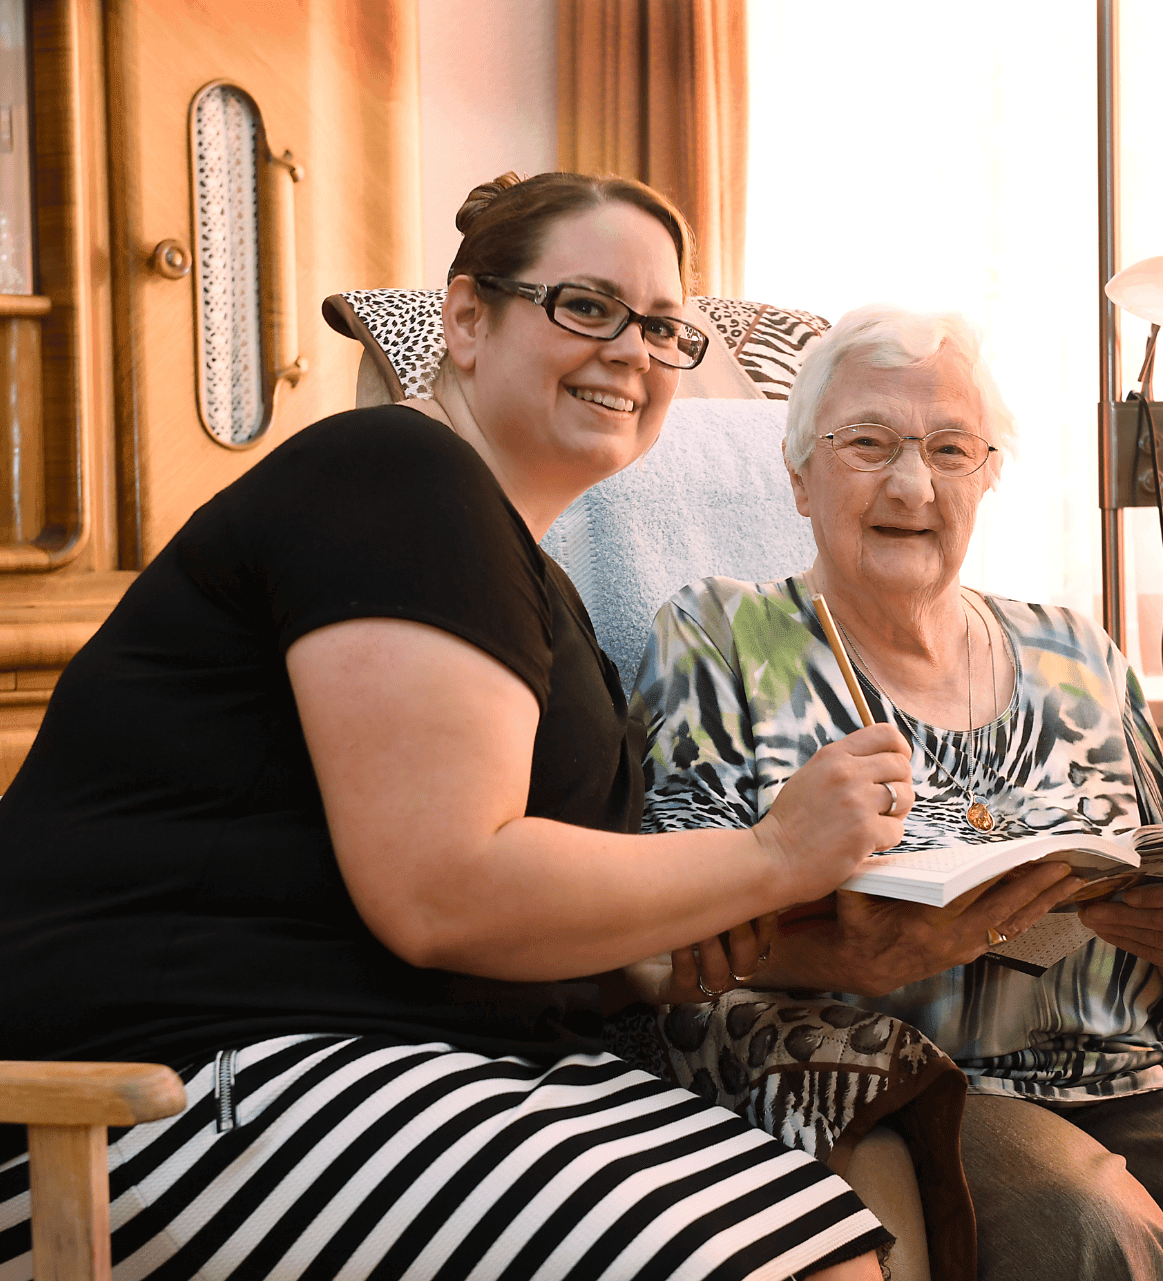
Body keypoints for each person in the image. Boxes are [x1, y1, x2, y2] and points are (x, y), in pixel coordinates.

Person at [0, 175, 912, 1280]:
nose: (633, 349)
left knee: (831, 1235)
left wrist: (645, 955)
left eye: (665, 326)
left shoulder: (525, 576)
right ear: (467, 319)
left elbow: (451, 890)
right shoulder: (391, 474)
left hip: (400, 1060)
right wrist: (770, 855)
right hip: (159, 1093)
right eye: (585, 306)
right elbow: (441, 891)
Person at [632, 302, 1163, 1281]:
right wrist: (847, 958)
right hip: (918, 1085)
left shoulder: (1073, 653)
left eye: (948, 449)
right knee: (1090, 1226)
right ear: (800, 475)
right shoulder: (727, 636)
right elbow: (675, 935)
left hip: (1133, 1066)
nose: (911, 483)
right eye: (870, 444)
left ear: (987, 476)